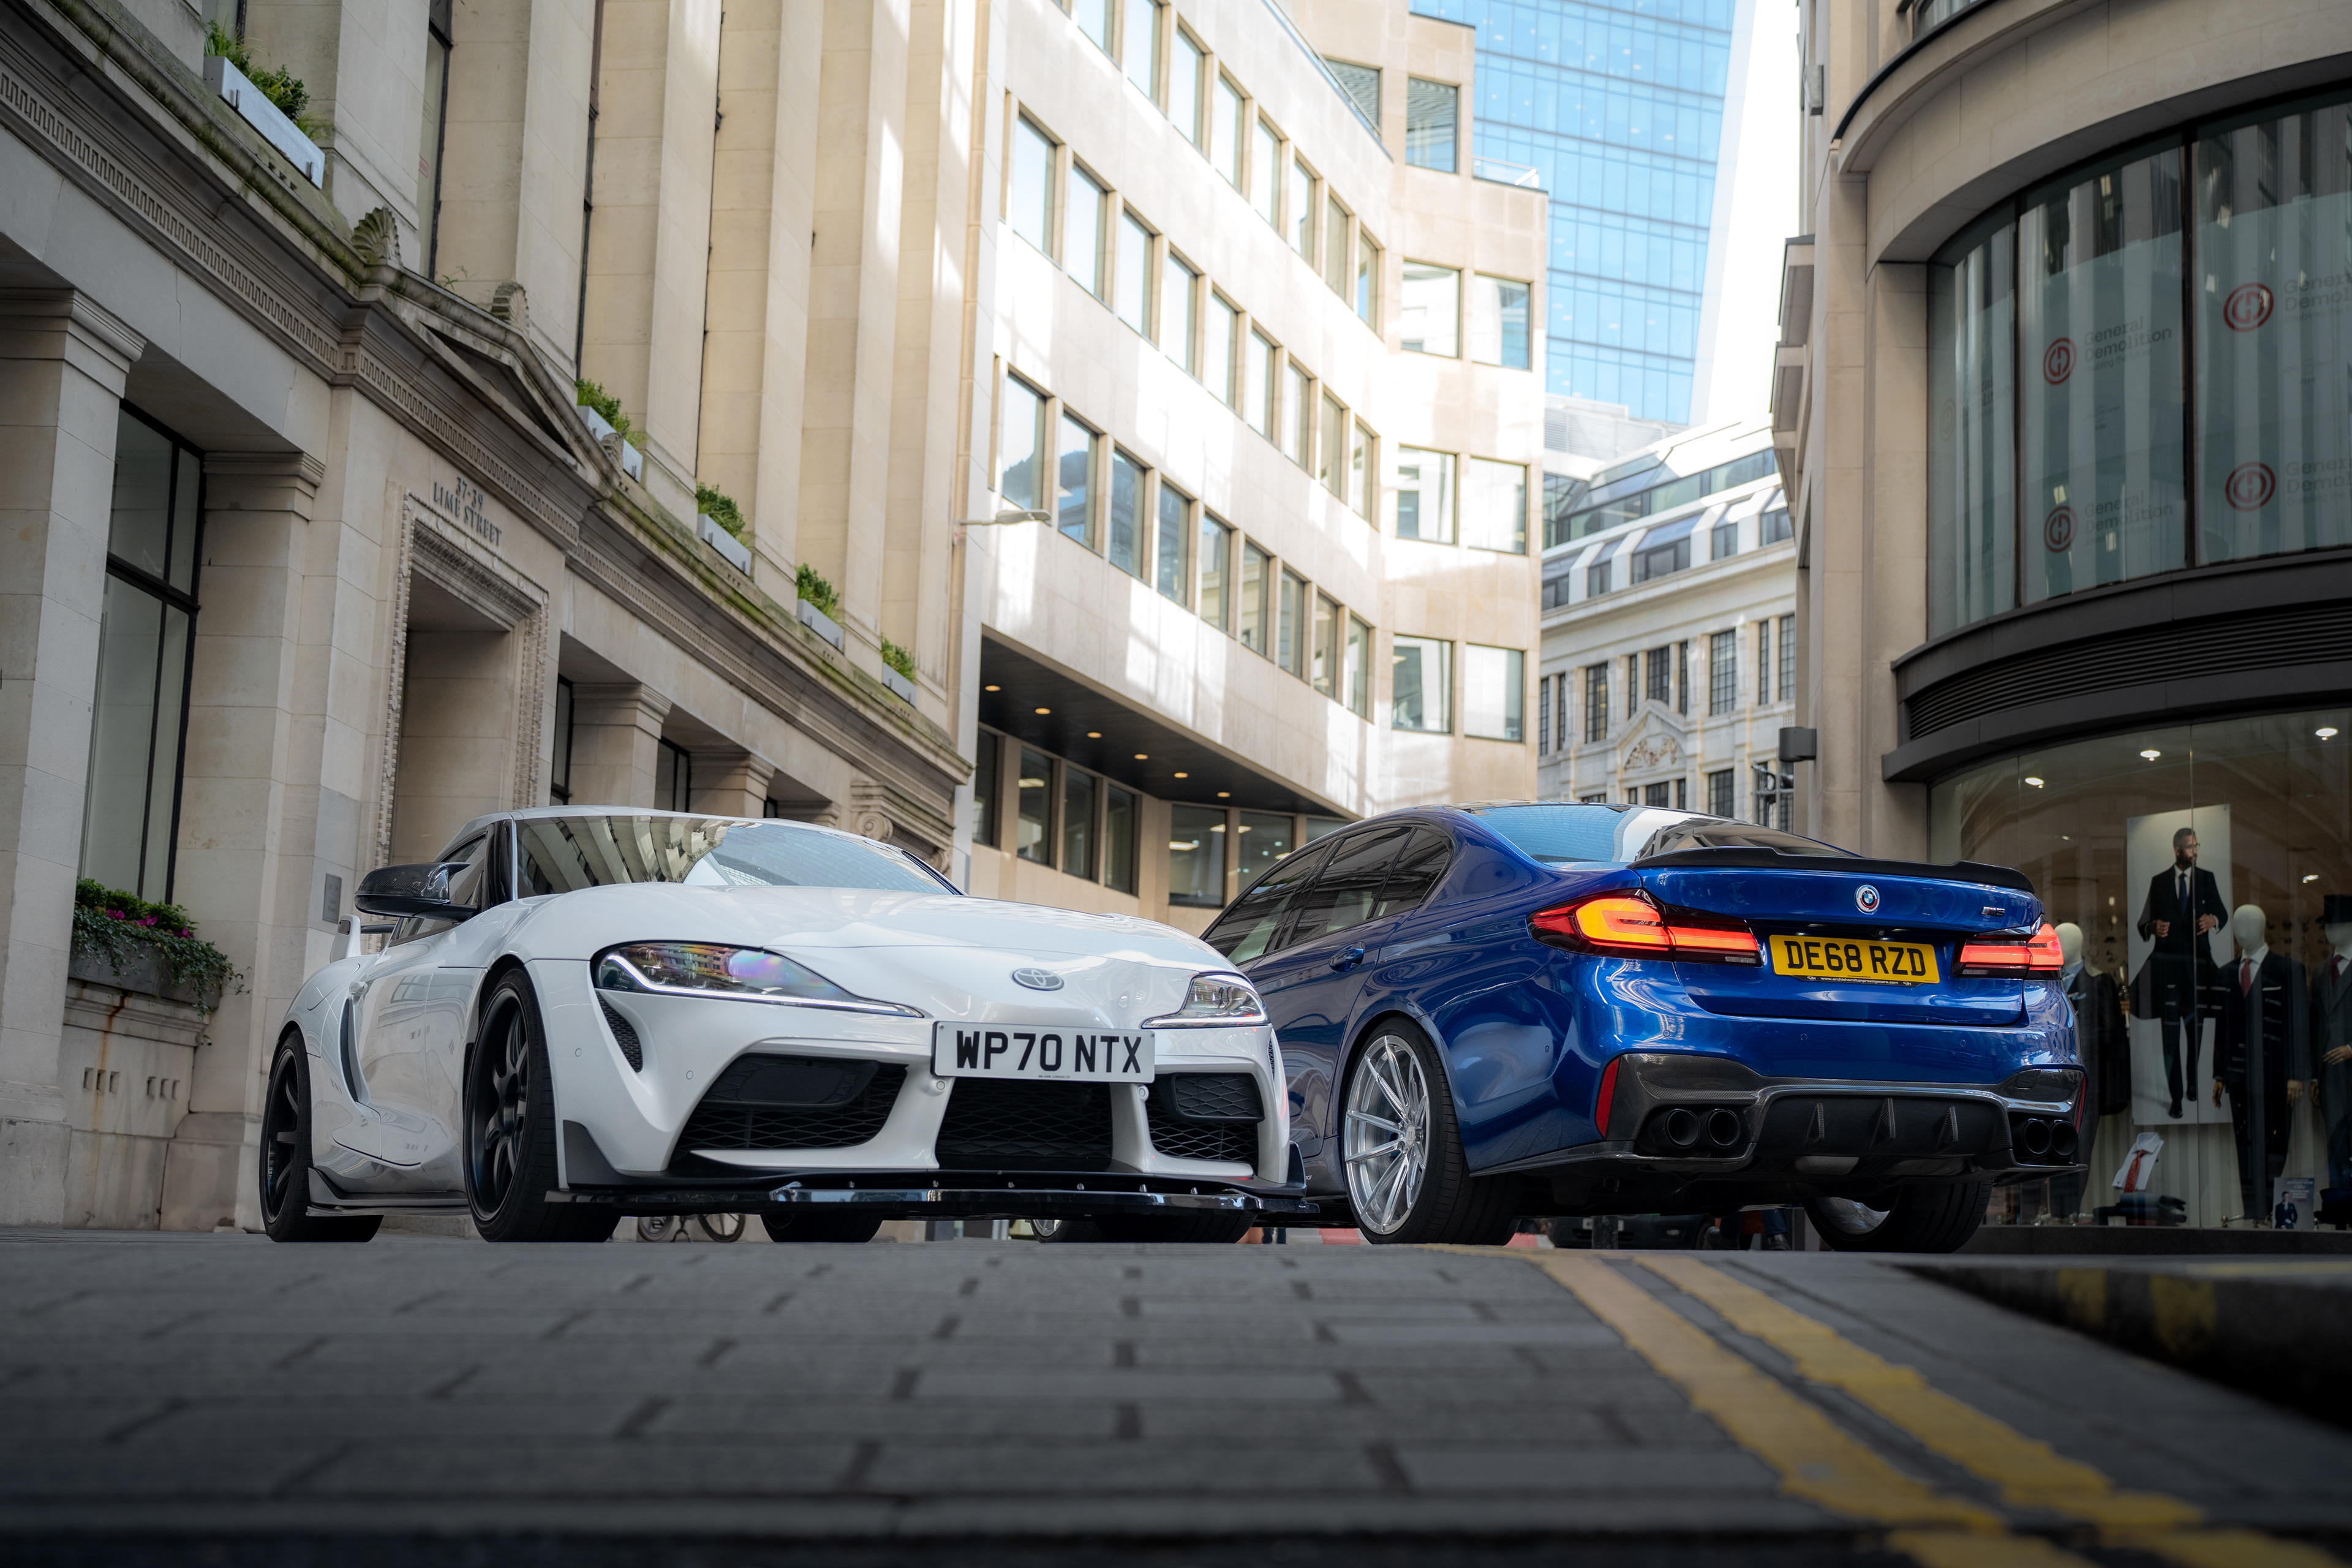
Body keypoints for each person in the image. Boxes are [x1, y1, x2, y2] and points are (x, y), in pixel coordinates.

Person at [2214, 904, 2308, 1223]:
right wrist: (2219, 1074)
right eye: (2238, 925)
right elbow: (2223, 1027)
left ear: (2263, 927)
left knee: (2275, 1144)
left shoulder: (2288, 970)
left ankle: (2269, 1212)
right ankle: (2255, 1214)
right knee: (2245, 1145)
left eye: (2249, 924)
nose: (2242, 931)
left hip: (2277, 1076)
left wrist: (2296, 1074)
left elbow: (2298, 1024)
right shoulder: (2227, 973)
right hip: (2239, 1077)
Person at [2134, 827, 2228, 1118]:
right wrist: (2153, 927)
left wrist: (2214, 920)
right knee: (2170, 1039)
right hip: (2167, 976)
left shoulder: (2207, 878)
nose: (2195, 851)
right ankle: (2176, 1098)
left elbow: (2223, 914)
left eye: (2197, 846)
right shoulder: (2159, 881)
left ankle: (2192, 1086)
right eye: (2190, 847)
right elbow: (2143, 923)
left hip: (2198, 975)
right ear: (2177, 850)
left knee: (2195, 1035)